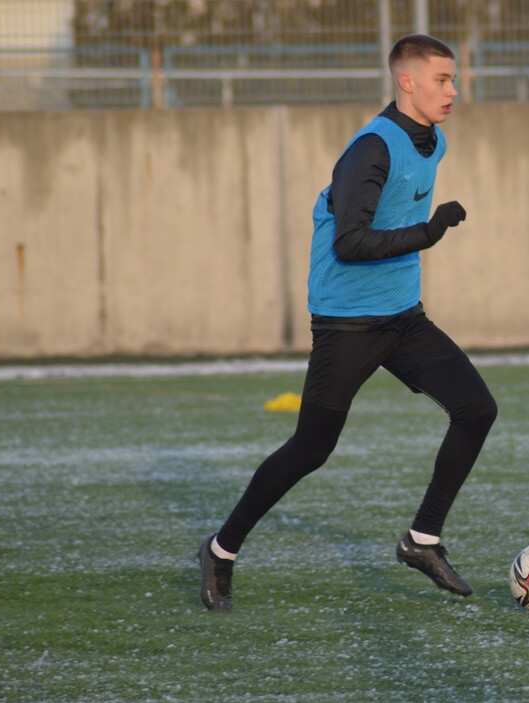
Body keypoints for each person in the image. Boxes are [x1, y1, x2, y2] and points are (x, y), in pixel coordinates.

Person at [197, 34, 497, 611]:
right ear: (406, 81)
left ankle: (422, 540)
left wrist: (420, 238)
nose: (453, 90)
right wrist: (428, 233)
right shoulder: (371, 148)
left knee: (477, 409)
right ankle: (220, 549)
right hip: (346, 324)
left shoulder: (433, 141)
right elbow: (351, 242)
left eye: (454, 79)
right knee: (310, 449)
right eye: (442, 80)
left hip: (404, 319)